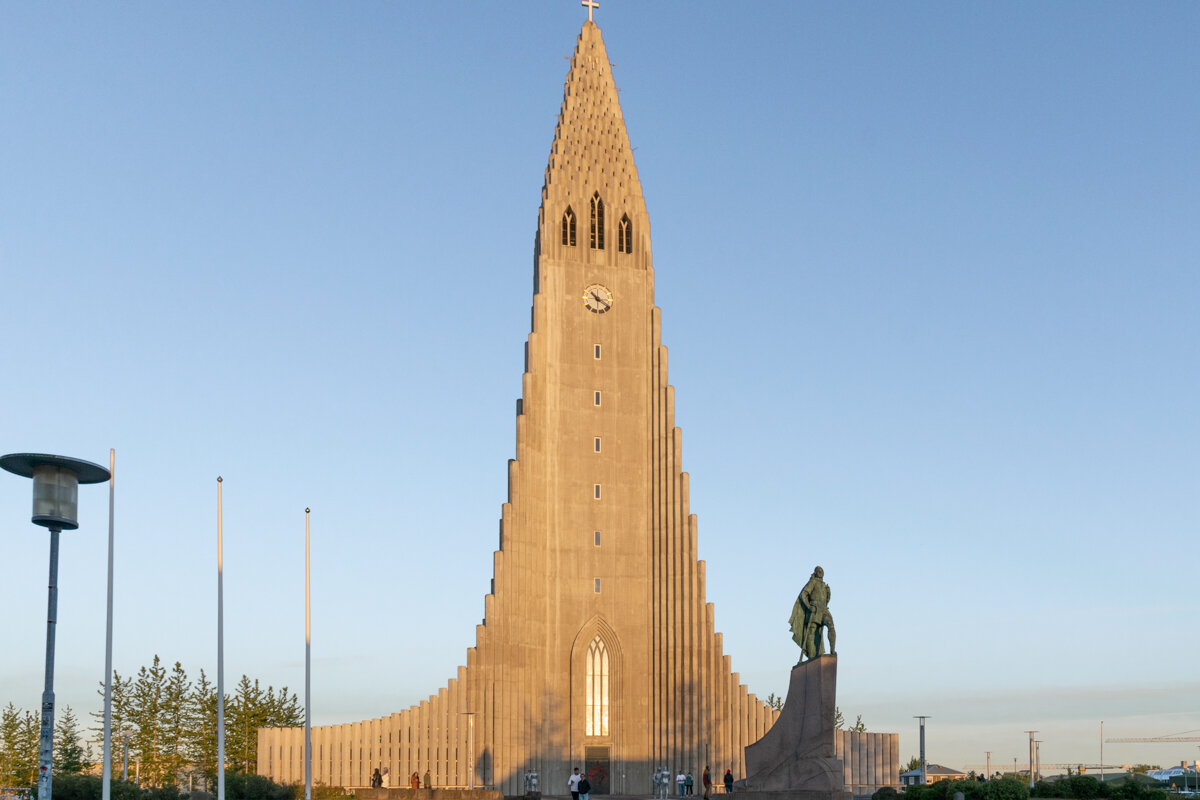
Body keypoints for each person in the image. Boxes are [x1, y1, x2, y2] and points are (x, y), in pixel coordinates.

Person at [789, 565, 836, 661]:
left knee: (831, 626)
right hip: (814, 609)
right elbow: (804, 594)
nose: (821, 571)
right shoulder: (813, 582)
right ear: (816, 572)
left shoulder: (824, 585)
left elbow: (827, 600)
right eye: (819, 570)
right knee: (812, 632)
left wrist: (828, 592)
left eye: (822, 570)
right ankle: (812, 656)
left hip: (824, 609)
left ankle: (832, 650)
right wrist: (809, 606)